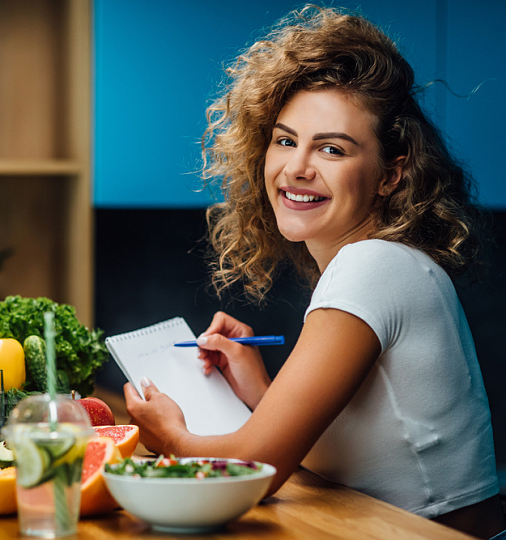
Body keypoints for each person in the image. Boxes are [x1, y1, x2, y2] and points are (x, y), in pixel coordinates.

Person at [123, 5, 505, 539]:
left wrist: (172, 439)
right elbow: (364, 446)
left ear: (390, 175)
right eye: (285, 140)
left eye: (331, 148)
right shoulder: (385, 262)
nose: (297, 167)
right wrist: (261, 390)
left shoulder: (371, 265)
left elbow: (254, 470)